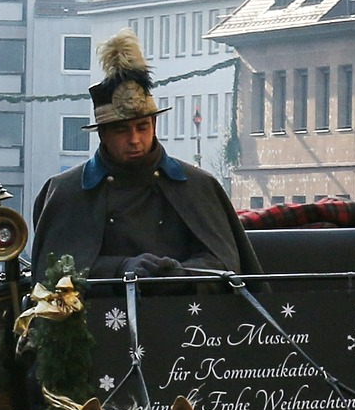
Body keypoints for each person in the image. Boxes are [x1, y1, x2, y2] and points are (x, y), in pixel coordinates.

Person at [30, 29, 260, 284]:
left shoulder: (198, 187)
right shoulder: (66, 192)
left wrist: (183, 274)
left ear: (154, 125)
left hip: (189, 317)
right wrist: (120, 268)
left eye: (142, 127)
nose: (134, 140)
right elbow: (54, 275)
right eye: (121, 130)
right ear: (103, 134)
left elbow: (227, 262)